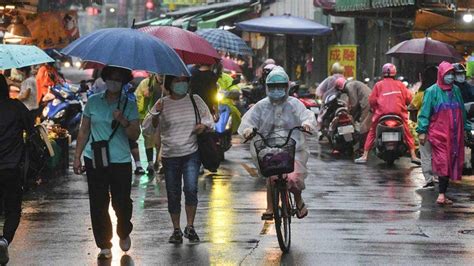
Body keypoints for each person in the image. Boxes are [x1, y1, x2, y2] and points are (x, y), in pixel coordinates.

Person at [73, 66, 140, 260]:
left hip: (120, 160)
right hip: (95, 158)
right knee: (98, 202)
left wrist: (123, 120)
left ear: (124, 82)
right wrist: (77, 157)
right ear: (105, 79)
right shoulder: (93, 102)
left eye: (118, 79)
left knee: (122, 202)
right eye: (111, 78)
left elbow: (135, 134)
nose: (114, 82)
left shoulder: (129, 103)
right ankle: (104, 244)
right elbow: (84, 131)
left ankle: (124, 230)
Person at [238, 67, 317, 220]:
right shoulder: (261, 106)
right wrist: (248, 130)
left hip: (294, 148)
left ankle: (299, 201)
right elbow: (248, 122)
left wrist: (307, 124)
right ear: (268, 88)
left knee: (293, 179)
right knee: (271, 175)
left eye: (280, 86)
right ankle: (270, 207)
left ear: (286, 87)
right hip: (269, 148)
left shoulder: (295, 104)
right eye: (273, 87)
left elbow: (307, 117)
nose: (276, 90)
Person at [152, 75, 213, 244]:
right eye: (177, 80)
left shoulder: (195, 100)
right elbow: (148, 128)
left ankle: (190, 226)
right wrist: (156, 113)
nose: (181, 83)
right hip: (170, 155)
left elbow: (209, 119)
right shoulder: (162, 103)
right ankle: (176, 229)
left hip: (191, 153)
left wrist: (203, 126)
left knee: (191, 189)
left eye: (184, 79)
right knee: (173, 193)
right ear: (170, 83)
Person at [417, 61, 471, 204]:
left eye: (452, 74)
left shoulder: (456, 91)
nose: (451, 76)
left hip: (455, 135)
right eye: (448, 74)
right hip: (438, 134)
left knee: (451, 161)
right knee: (443, 162)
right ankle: (441, 194)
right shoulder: (432, 91)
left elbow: (461, 111)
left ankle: (443, 193)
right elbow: (425, 113)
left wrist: (465, 128)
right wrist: (422, 131)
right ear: (441, 74)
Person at [355, 63, 421, 164]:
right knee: (407, 132)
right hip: (399, 115)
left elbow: (372, 101)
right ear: (395, 73)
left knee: (372, 131)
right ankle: (413, 155)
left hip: (381, 115)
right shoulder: (400, 85)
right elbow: (409, 99)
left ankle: (364, 156)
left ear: (383, 73)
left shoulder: (378, 85)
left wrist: (375, 108)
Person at [0, 74, 33, 264]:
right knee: (13, 209)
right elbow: (31, 129)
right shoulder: (15, 107)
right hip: (12, 166)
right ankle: (5, 240)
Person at [410, 66, 439, 189]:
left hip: (425, 128)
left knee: (426, 154)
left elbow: (412, 107)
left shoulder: (421, 93)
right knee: (438, 154)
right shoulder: (441, 92)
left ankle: (429, 180)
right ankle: (438, 177)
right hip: (439, 128)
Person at [334, 77, 372, 152]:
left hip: (367, 103)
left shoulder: (349, 86)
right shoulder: (352, 84)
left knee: (364, 125)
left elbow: (354, 103)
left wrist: (350, 115)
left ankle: (362, 148)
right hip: (367, 102)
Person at [135, 74, 163, 174]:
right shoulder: (146, 83)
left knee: (160, 139)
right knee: (148, 138)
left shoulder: (167, 84)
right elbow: (140, 98)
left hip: (162, 115)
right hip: (147, 115)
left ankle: (158, 161)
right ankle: (151, 163)